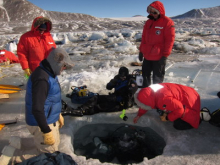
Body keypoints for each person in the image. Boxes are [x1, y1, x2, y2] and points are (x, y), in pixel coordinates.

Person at [25, 47, 74, 154]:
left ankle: (18, 144)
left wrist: (57, 114)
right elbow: (37, 108)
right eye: (64, 65)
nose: (64, 68)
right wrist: (46, 131)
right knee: (49, 156)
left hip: (49, 119)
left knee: (52, 147)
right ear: (56, 62)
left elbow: (51, 99)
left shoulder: (50, 73)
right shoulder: (42, 78)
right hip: (41, 123)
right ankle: (13, 158)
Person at [62, 67, 138, 116]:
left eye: (124, 77)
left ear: (127, 75)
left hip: (121, 103)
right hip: (113, 98)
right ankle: (80, 109)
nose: (122, 78)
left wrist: (123, 112)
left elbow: (130, 94)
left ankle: (82, 112)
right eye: (121, 76)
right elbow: (108, 87)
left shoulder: (131, 81)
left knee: (99, 107)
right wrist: (113, 82)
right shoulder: (117, 79)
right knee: (96, 98)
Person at [133, 83, 201, 130]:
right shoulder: (150, 91)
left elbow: (180, 110)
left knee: (178, 125)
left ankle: (200, 116)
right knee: (162, 109)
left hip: (191, 103)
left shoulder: (162, 100)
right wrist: (139, 114)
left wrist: (167, 117)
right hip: (188, 93)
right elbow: (146, 102)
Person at [138, 1, 175, 87]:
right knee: (145, 77)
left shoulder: (167, 22)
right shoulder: (148, 22)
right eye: (151, 12)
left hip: (159, 57)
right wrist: (141, 51)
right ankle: (146, 95)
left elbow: (170, 40)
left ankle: (156, 98)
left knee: (157, 79)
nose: (152, 14)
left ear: (160, 11)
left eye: (154, 12)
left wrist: (165, 56)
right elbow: (144, 38)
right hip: (147, 56)